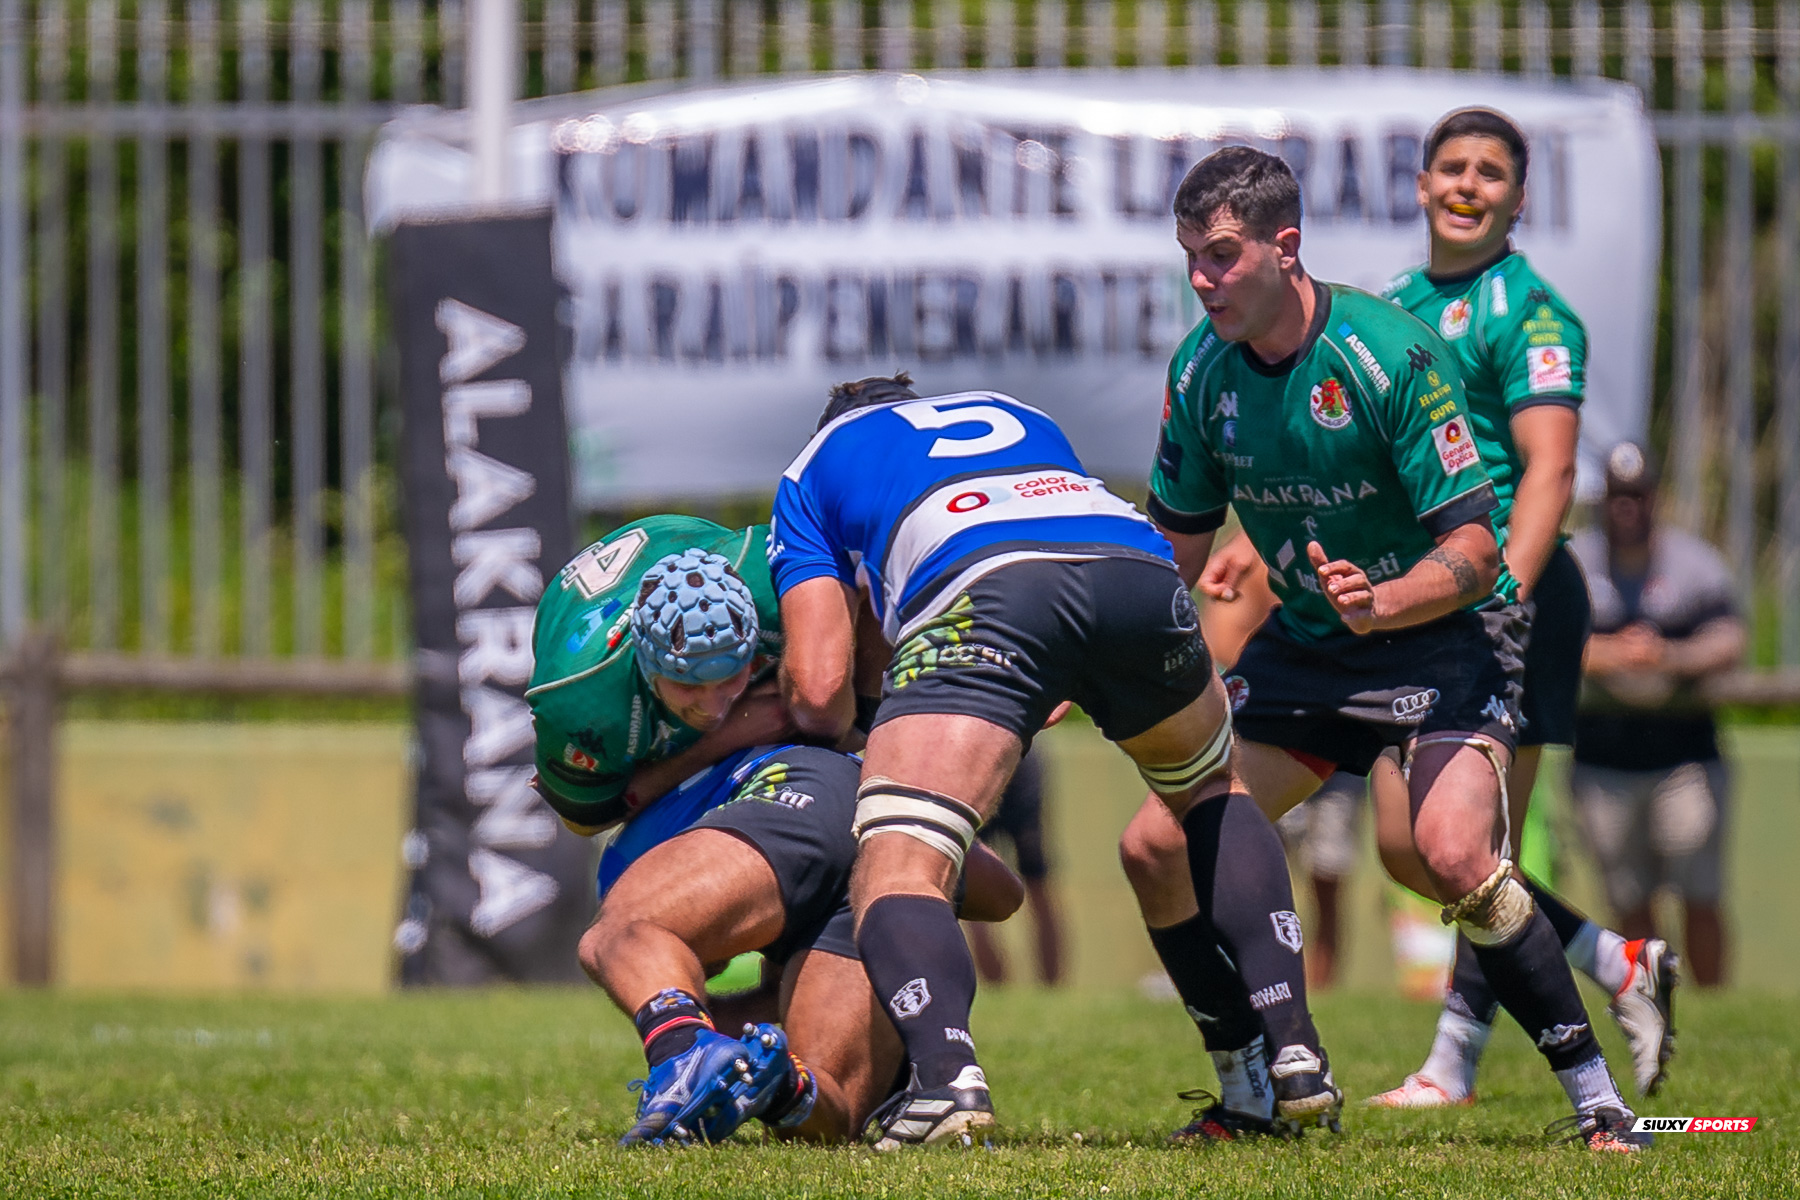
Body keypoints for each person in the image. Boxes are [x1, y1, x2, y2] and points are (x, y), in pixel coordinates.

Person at [1120, 145, 1649, 1151]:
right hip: (1311, 645)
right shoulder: (1199, 370)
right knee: (1152, 847)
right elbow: (1174, 548)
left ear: (1287, 246)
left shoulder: (1388, 352)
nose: (1203, 279)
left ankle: (1599, 1102)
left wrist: (1386, 600)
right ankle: (1250, 1090)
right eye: (1191, 256)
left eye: (1223, 256)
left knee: (1453, 853)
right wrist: (1095, 645)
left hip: (1440, 639)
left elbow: (1473, 548)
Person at [772, 372, 1335, 1149]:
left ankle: (945, 1081)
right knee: (1209, 790)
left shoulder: (813, 465)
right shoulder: (1016, 411)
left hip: (986, 585)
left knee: (901, 857)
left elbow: (821, 688)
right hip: (1136, 567)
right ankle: (1293, 1049)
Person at [580, 739, 1024, 1145]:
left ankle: (680, 1053)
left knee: (617, 932)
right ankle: (783, 1088)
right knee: (827, 1116)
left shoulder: (629, 864)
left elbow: (636, 941)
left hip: (801, 786)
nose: (703, 972)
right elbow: (1004, 893)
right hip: (874, 837)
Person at [1568, 442, 1744, 987]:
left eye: (1637, 496)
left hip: (1684, 759)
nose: (1627, 507)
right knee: (1628, 899)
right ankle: (1653, 1001)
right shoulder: (1576, 563)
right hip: (1602, 762)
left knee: (1700, 892)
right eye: (1617, 496)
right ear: (1603, 500)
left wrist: (1669, 656)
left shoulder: (1694, 565)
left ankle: (1716, 1007)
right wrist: (1610, 654)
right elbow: (1541, 642)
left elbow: (1730, 639)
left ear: (1654, 499)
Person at [527, 515, 793, 836]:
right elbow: (583, 819)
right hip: (580, 637)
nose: (713, 708)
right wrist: (722, 741)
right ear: (647, 664)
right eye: (686, 684)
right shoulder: (583, 701)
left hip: (690, 541)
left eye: (730, 678)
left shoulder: (775, 586)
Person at [965, 748, 1067, 986]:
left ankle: (1052, 988)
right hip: (974, 764)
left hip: (1018, 760)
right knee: (972, 883)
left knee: (1038, 881)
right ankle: (998, 988)